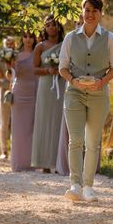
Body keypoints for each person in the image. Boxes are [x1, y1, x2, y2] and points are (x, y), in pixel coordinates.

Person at [58, 0, 113, 202]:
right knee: (75, 141)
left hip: (98, 95)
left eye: (94, 11)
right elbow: (63, 68)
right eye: (87, 10)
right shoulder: (70, 37)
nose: (90, 14)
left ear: (101, 13)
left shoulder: (110, 38)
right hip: (74, 93)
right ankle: (75, 185)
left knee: (93, 143)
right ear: (81, 12)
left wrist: (101, 82)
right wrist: (73, 81)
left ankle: (88, 187)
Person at [31, 15, 66, 173]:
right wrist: (48, 70)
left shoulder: (66, 44)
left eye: (54, 25)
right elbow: (34, 69)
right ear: (44, 28)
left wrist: (61, 70)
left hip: (62, 84)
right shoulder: (40, 46)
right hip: (46, 87)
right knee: (44, 121)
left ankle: (59, 162)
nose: (51, 28)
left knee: (60, 121)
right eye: (48, 25)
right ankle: (44, 162)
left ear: (59, 26)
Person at [10, 32, 39, 172]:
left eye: (31, 37)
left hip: (34, 92)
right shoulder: (15, 55)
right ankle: (18, 163)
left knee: (31, 128)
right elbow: (10, 75)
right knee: (18, 129)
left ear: (35, 38)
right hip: (19, 93)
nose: (28, 40)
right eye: (25, 36)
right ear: (22, 38)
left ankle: (31, 163)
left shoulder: (38, 52)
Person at [0, 36, 16, 158]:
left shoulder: (18, 57)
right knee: (4, 122)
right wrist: (7, 84)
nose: (10, 45)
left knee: (16, 122)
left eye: (12, 43)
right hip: (4, 93)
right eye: (7, 43)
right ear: (4, 45)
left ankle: (15, 150)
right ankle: (4, 151)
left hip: (18, 92)